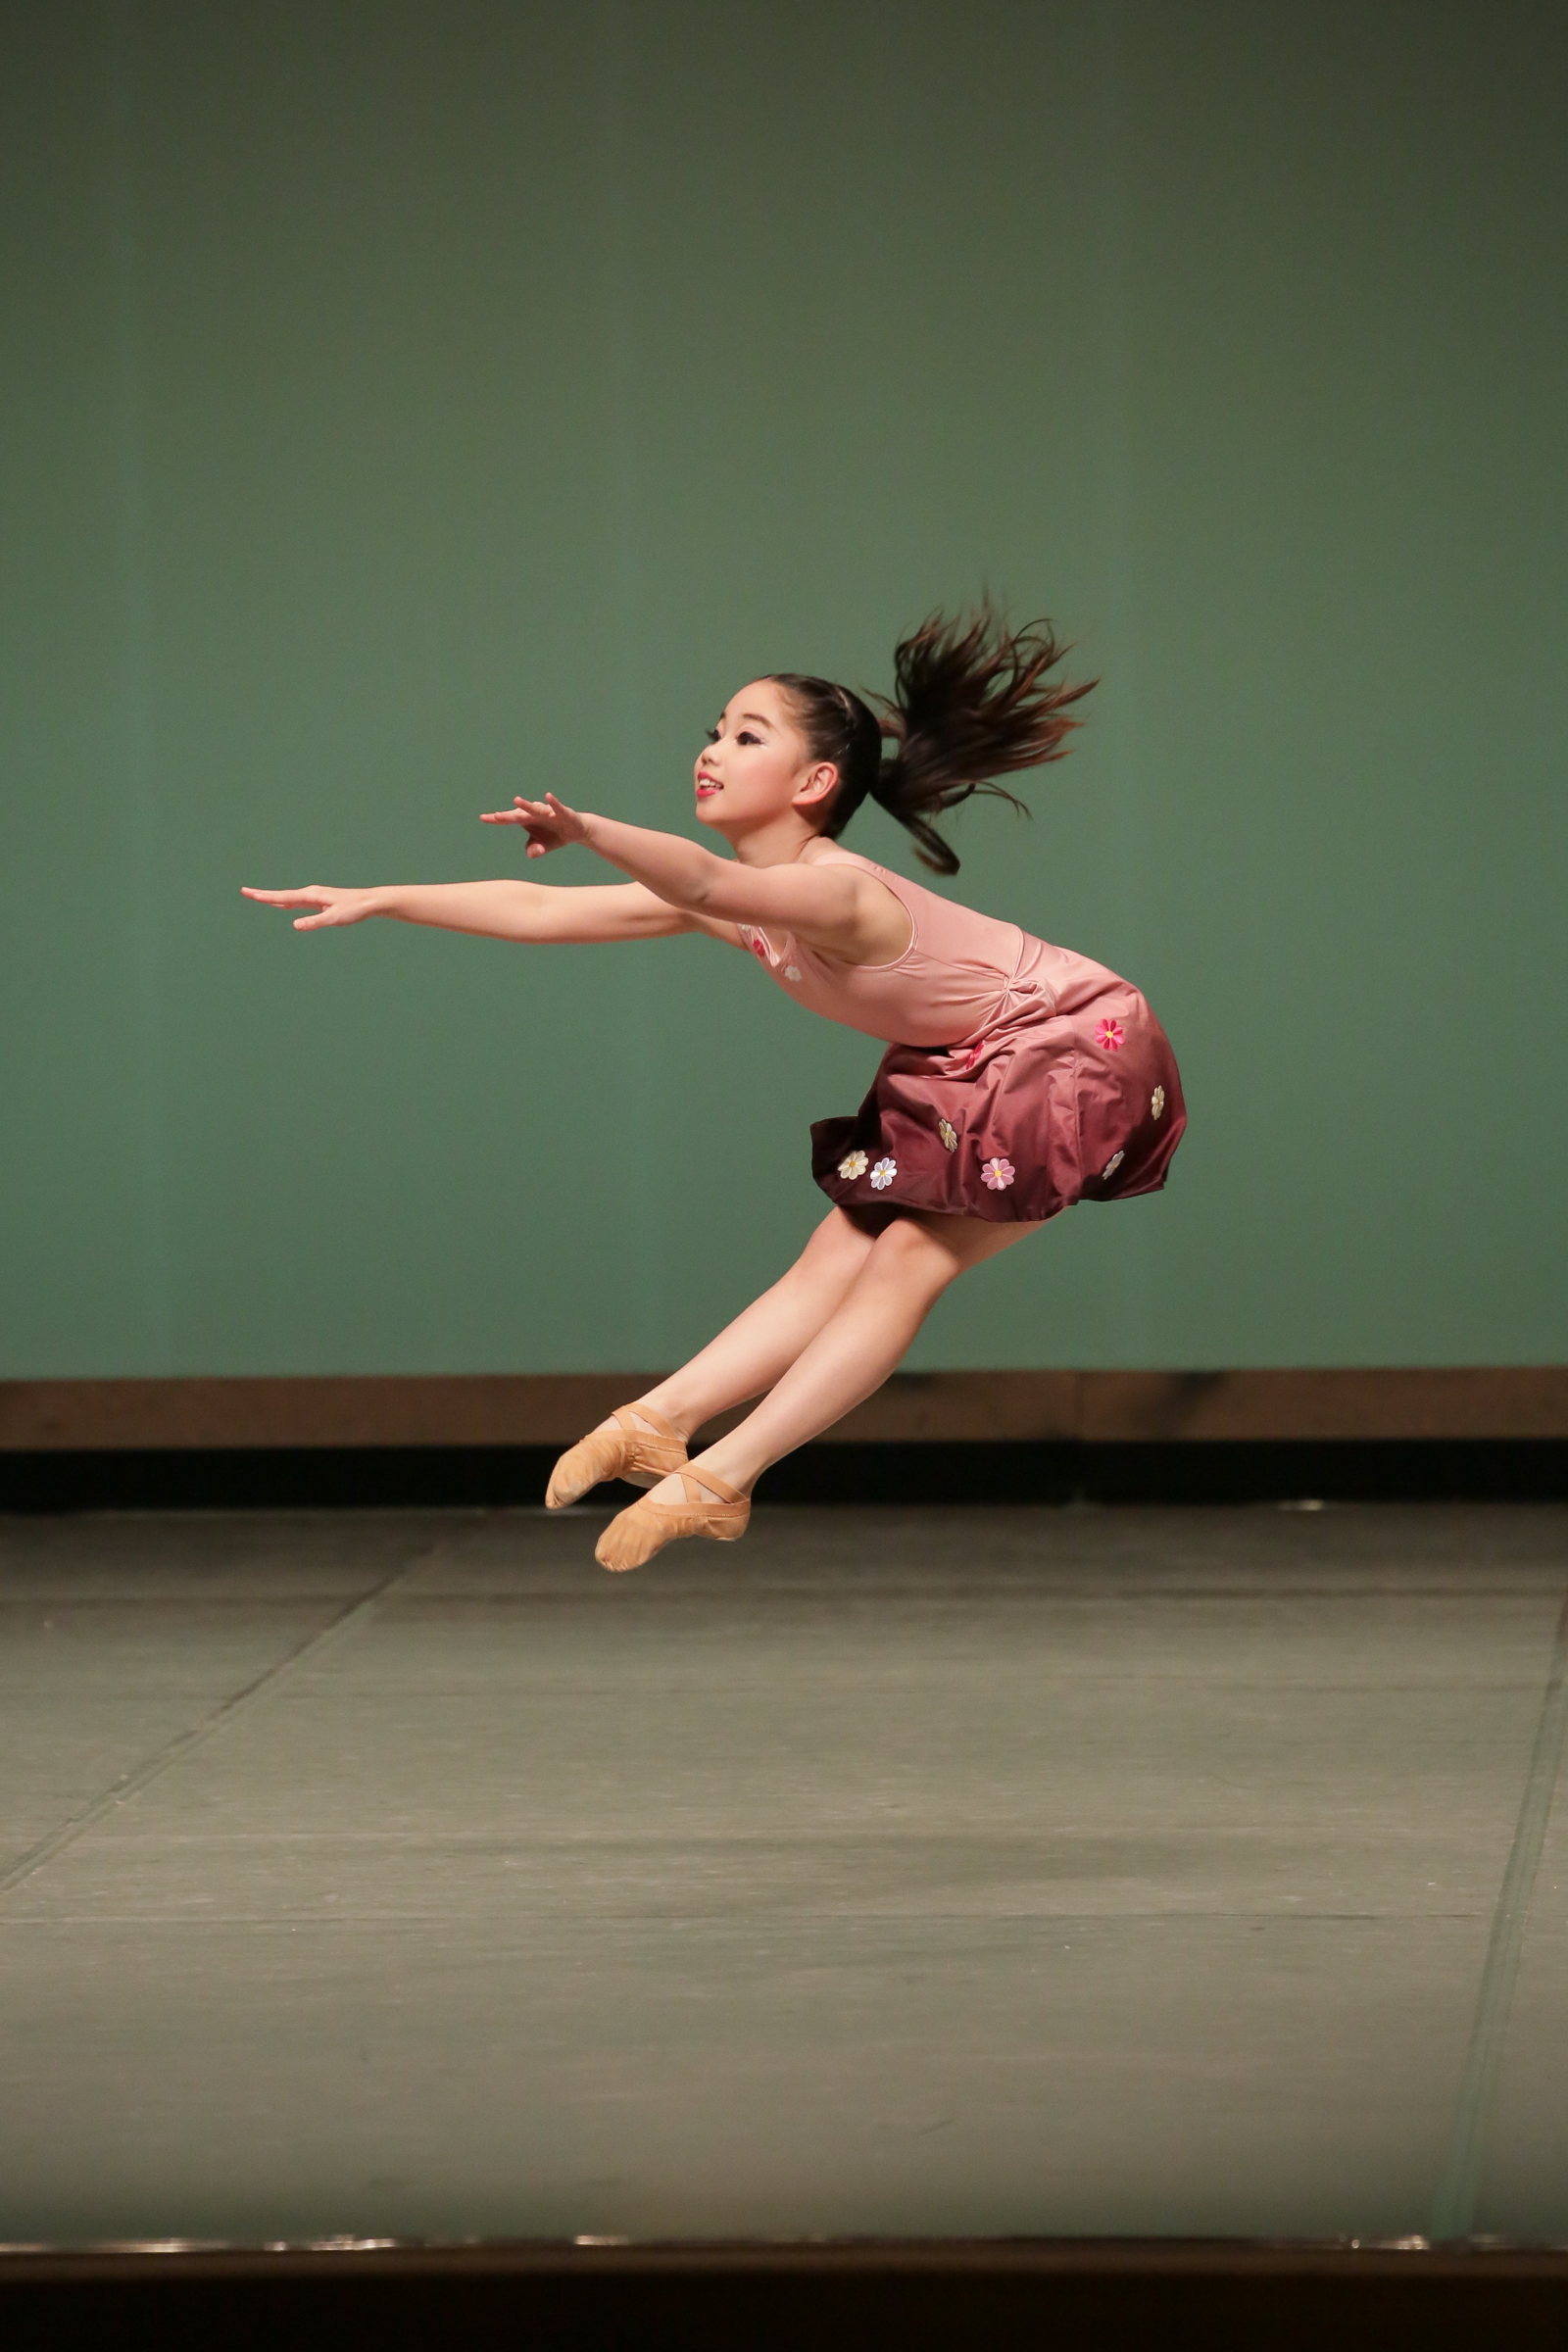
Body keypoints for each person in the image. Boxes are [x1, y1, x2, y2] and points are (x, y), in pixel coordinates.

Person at [244, 609, 1185, 1570]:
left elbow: (695, 882)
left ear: (814, 784)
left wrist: (587, 828)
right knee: (839, 1250)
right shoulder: (751, 906)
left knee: (908, 1256)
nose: (712, 752)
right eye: (714, 732)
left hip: (1076, 1046)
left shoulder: (838, 891)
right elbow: (540, 909)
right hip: (977, 1060)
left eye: (746, 737)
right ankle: (660, 1422)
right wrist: (383, 899)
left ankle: (725, 1475)